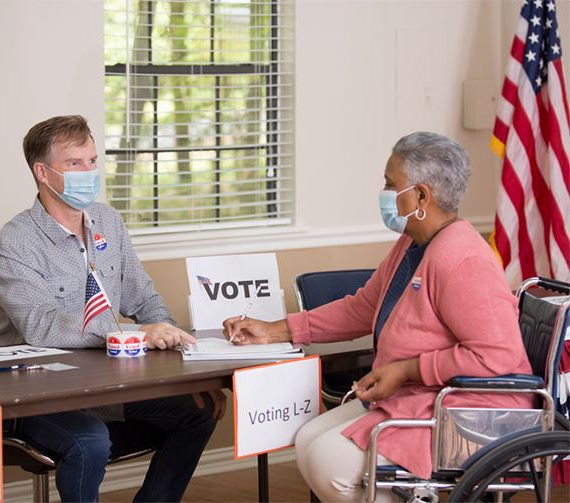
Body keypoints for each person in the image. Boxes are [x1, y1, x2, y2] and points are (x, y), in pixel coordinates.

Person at [223, 132, 535, 503]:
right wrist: (276, 330)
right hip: (419, 397)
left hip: (466, 412)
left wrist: (406, 370)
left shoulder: (465, 260)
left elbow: (495, 356)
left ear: (421, 196)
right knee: (307, 440)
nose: (384, 192)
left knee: (328, 461)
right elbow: (364, 306)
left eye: (391, 184)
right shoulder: (413, 243)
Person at [0, 115, 227, 503]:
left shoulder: (109, 222)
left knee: (199, 410)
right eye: (75, 164)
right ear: (42, 173)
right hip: (37, 395)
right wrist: (131, 334)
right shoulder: (13, 243)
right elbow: (42, 327)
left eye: (93, 161)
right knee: (90, 440)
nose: (89, 173)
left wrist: (186, 364)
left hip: (108, 383)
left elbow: (145, 301)